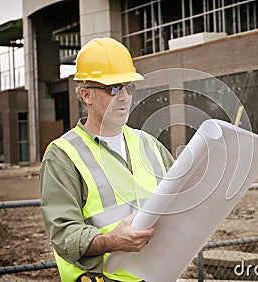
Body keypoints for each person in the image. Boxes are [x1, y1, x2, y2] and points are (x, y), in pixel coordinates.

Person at [40, 37, 174, 282]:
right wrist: (111, 241)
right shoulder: (62, 156)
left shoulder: (149, 145)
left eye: (128, 87)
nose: (123, 96)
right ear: (86, 95)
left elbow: (179, 202)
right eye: (113, 88)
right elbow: (64, 235)